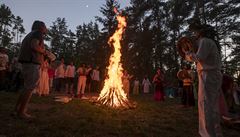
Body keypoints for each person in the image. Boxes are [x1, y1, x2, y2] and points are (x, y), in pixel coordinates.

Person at [183, 21, 223, 137]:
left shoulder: (205, 41)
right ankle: (215, 133)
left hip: (208, 74)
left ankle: (207, 134)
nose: (194, 34)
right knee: (212, 105)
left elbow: (199, 57)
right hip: (211, 74)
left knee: (205, 104)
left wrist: (187, 53)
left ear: (201, 32)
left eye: (195, 31)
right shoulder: (208, 42)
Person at [14, 20, 47, 119]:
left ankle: (17, 109)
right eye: (45, 26)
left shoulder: (30, 34)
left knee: (26, 87)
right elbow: (34, 46)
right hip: (32, 63)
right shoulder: (38, 33)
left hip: (26, 62)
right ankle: (21, 112)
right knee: (30, 88)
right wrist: (44, 52)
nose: (46, 28)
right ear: (41, 27)